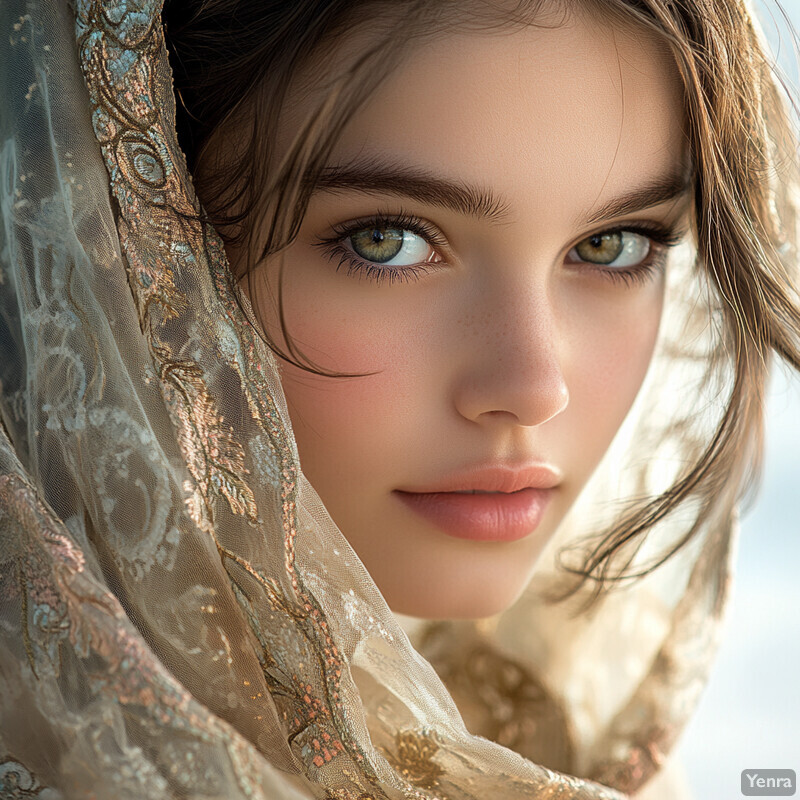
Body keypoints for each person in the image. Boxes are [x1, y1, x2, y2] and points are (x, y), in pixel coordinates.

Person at [0, 0, 797, 798]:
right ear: (110, 231)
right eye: (388, 241)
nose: (533, 391)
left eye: (612, 244)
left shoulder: (573, 740)